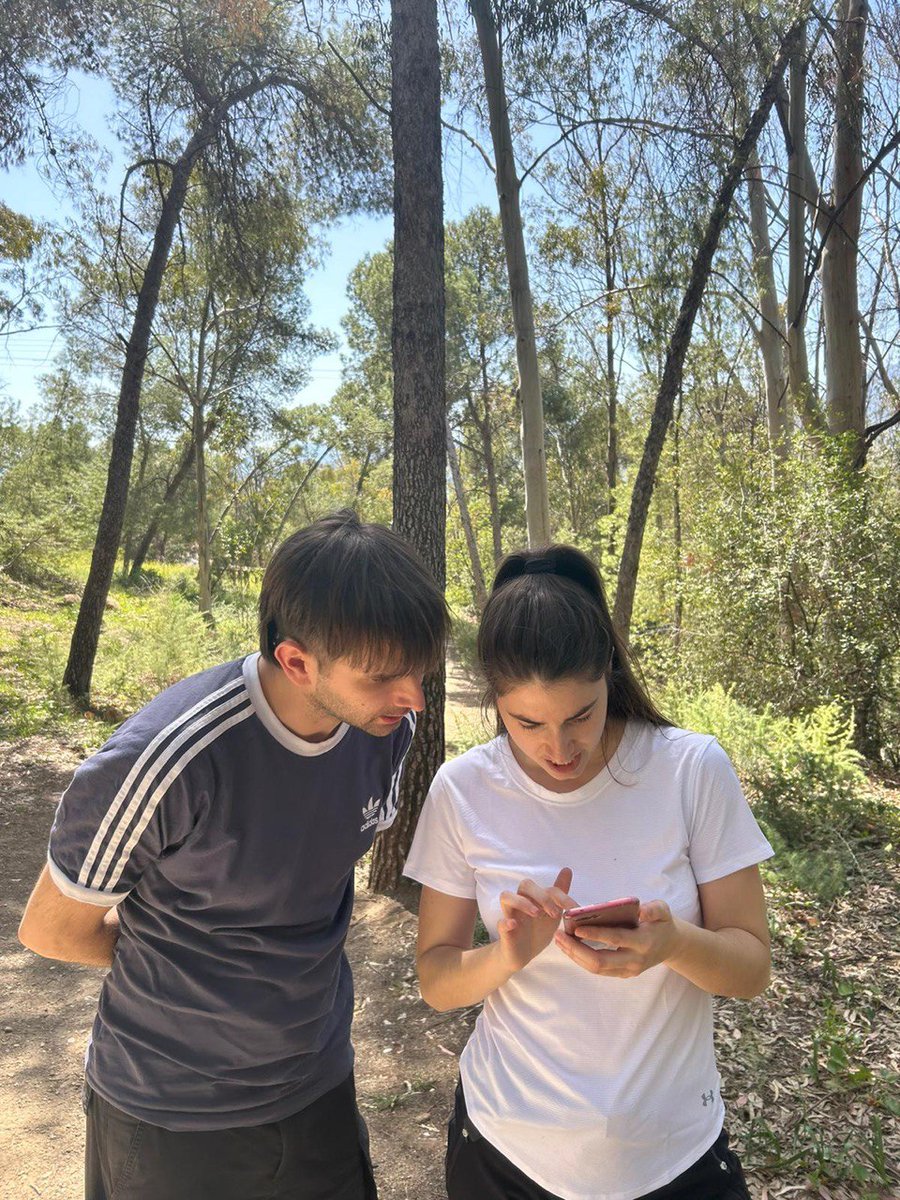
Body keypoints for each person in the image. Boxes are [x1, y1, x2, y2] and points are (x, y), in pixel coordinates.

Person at [18, 509, 449, 1200]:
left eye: (422, 671)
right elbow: (50, 929)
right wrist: (204, 979)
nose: (414, 697)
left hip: (318, 1090)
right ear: (297, 661)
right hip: (169, 1117)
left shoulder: (385, 728)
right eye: (384, 677)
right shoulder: (168, 759)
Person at [404, 545, 773, 1200]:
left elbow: (750, 970)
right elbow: (437, 978)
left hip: (674, 1156)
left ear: (609, 666)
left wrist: (676, 945)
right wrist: (506, 955)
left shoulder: (690, 770)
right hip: (503, 1152)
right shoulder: (462, 789)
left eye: (581, 715)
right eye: (527, 723)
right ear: (494, 698)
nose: (559, 748)